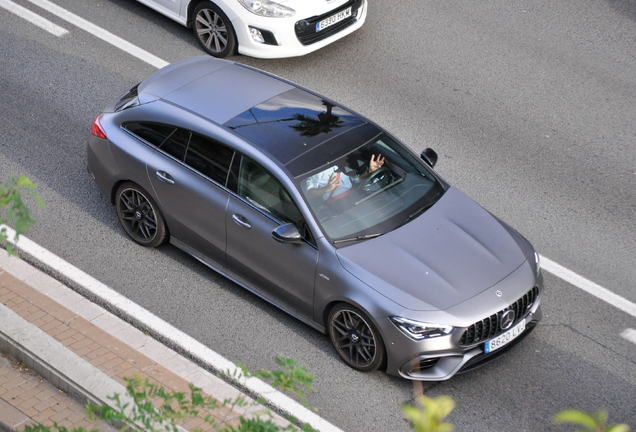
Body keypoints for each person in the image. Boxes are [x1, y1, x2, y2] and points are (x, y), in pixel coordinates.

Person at [304, 154, 385, 204]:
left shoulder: (341, 161)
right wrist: (327, 188)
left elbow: (355, 179)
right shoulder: (313, 174)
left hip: (354, 194)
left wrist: (369, 171)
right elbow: (309, 194)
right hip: (336, 203)